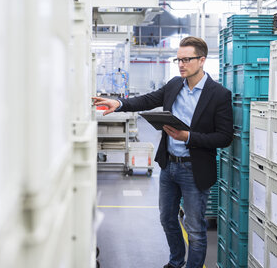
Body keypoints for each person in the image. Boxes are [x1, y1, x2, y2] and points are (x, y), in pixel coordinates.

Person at [92, 36, 233, 268]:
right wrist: (120, 104)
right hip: (169, 166)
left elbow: (224, 137)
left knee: (195, 229)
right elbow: (148, 100)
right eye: (178, 59)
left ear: (202, 60)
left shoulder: (219, 95)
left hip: (194, 169)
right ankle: (176, 262)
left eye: (186, 60)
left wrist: (187, 137)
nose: (181, 64)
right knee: (167, 219)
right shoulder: (175, 85)